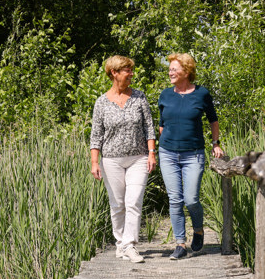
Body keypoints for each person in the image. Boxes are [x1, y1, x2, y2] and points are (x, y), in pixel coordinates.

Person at [90, 55, 156, 263]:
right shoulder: (101, 102)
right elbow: (96, 135)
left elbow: (149, 127)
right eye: (127, 70)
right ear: (114, 73)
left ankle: (130, 245)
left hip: (138, 158)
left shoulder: (139, 97)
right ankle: (120, 243)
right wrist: (94, 162)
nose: (131, 74)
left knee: (133, 201)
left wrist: (152, 153)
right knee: (117, 204)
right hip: (111, 160)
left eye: (131, 70)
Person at [158, 53, 224, 260]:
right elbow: (161, 125)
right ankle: (179, 244)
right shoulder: (165, 95)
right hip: (168, 153)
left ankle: (198, 230)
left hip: (193, 154)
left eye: (174, 69)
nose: (170, 72)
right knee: (175, 199)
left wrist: (215, 144)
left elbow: (213, 120)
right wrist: (167, 144)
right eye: (170, 69)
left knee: (191, 199)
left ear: (186, 71)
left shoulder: (202, 94)